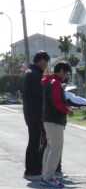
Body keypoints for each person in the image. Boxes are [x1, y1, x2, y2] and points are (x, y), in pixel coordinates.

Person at [41, 62, 73, 188]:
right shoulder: (56, 83)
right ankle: (48, 177)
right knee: (56, 149)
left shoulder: (49, 81)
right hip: (54, 120)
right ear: (60, 71)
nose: (66, 76)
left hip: (48, 119)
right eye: (65, 73)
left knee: (50, 147)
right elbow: (57, 102)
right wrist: (68, 110)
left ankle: (45, 175)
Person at [23, 51, 50, 181]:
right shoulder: (34, 74)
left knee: (34, 141)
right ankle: (32, 171)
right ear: (41, 61)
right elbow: (40, 95)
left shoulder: (31, 72)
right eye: (46, 62)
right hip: (35, 114)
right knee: (36, 142)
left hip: (31, 113)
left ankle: (33, 170)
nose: (46, 65)